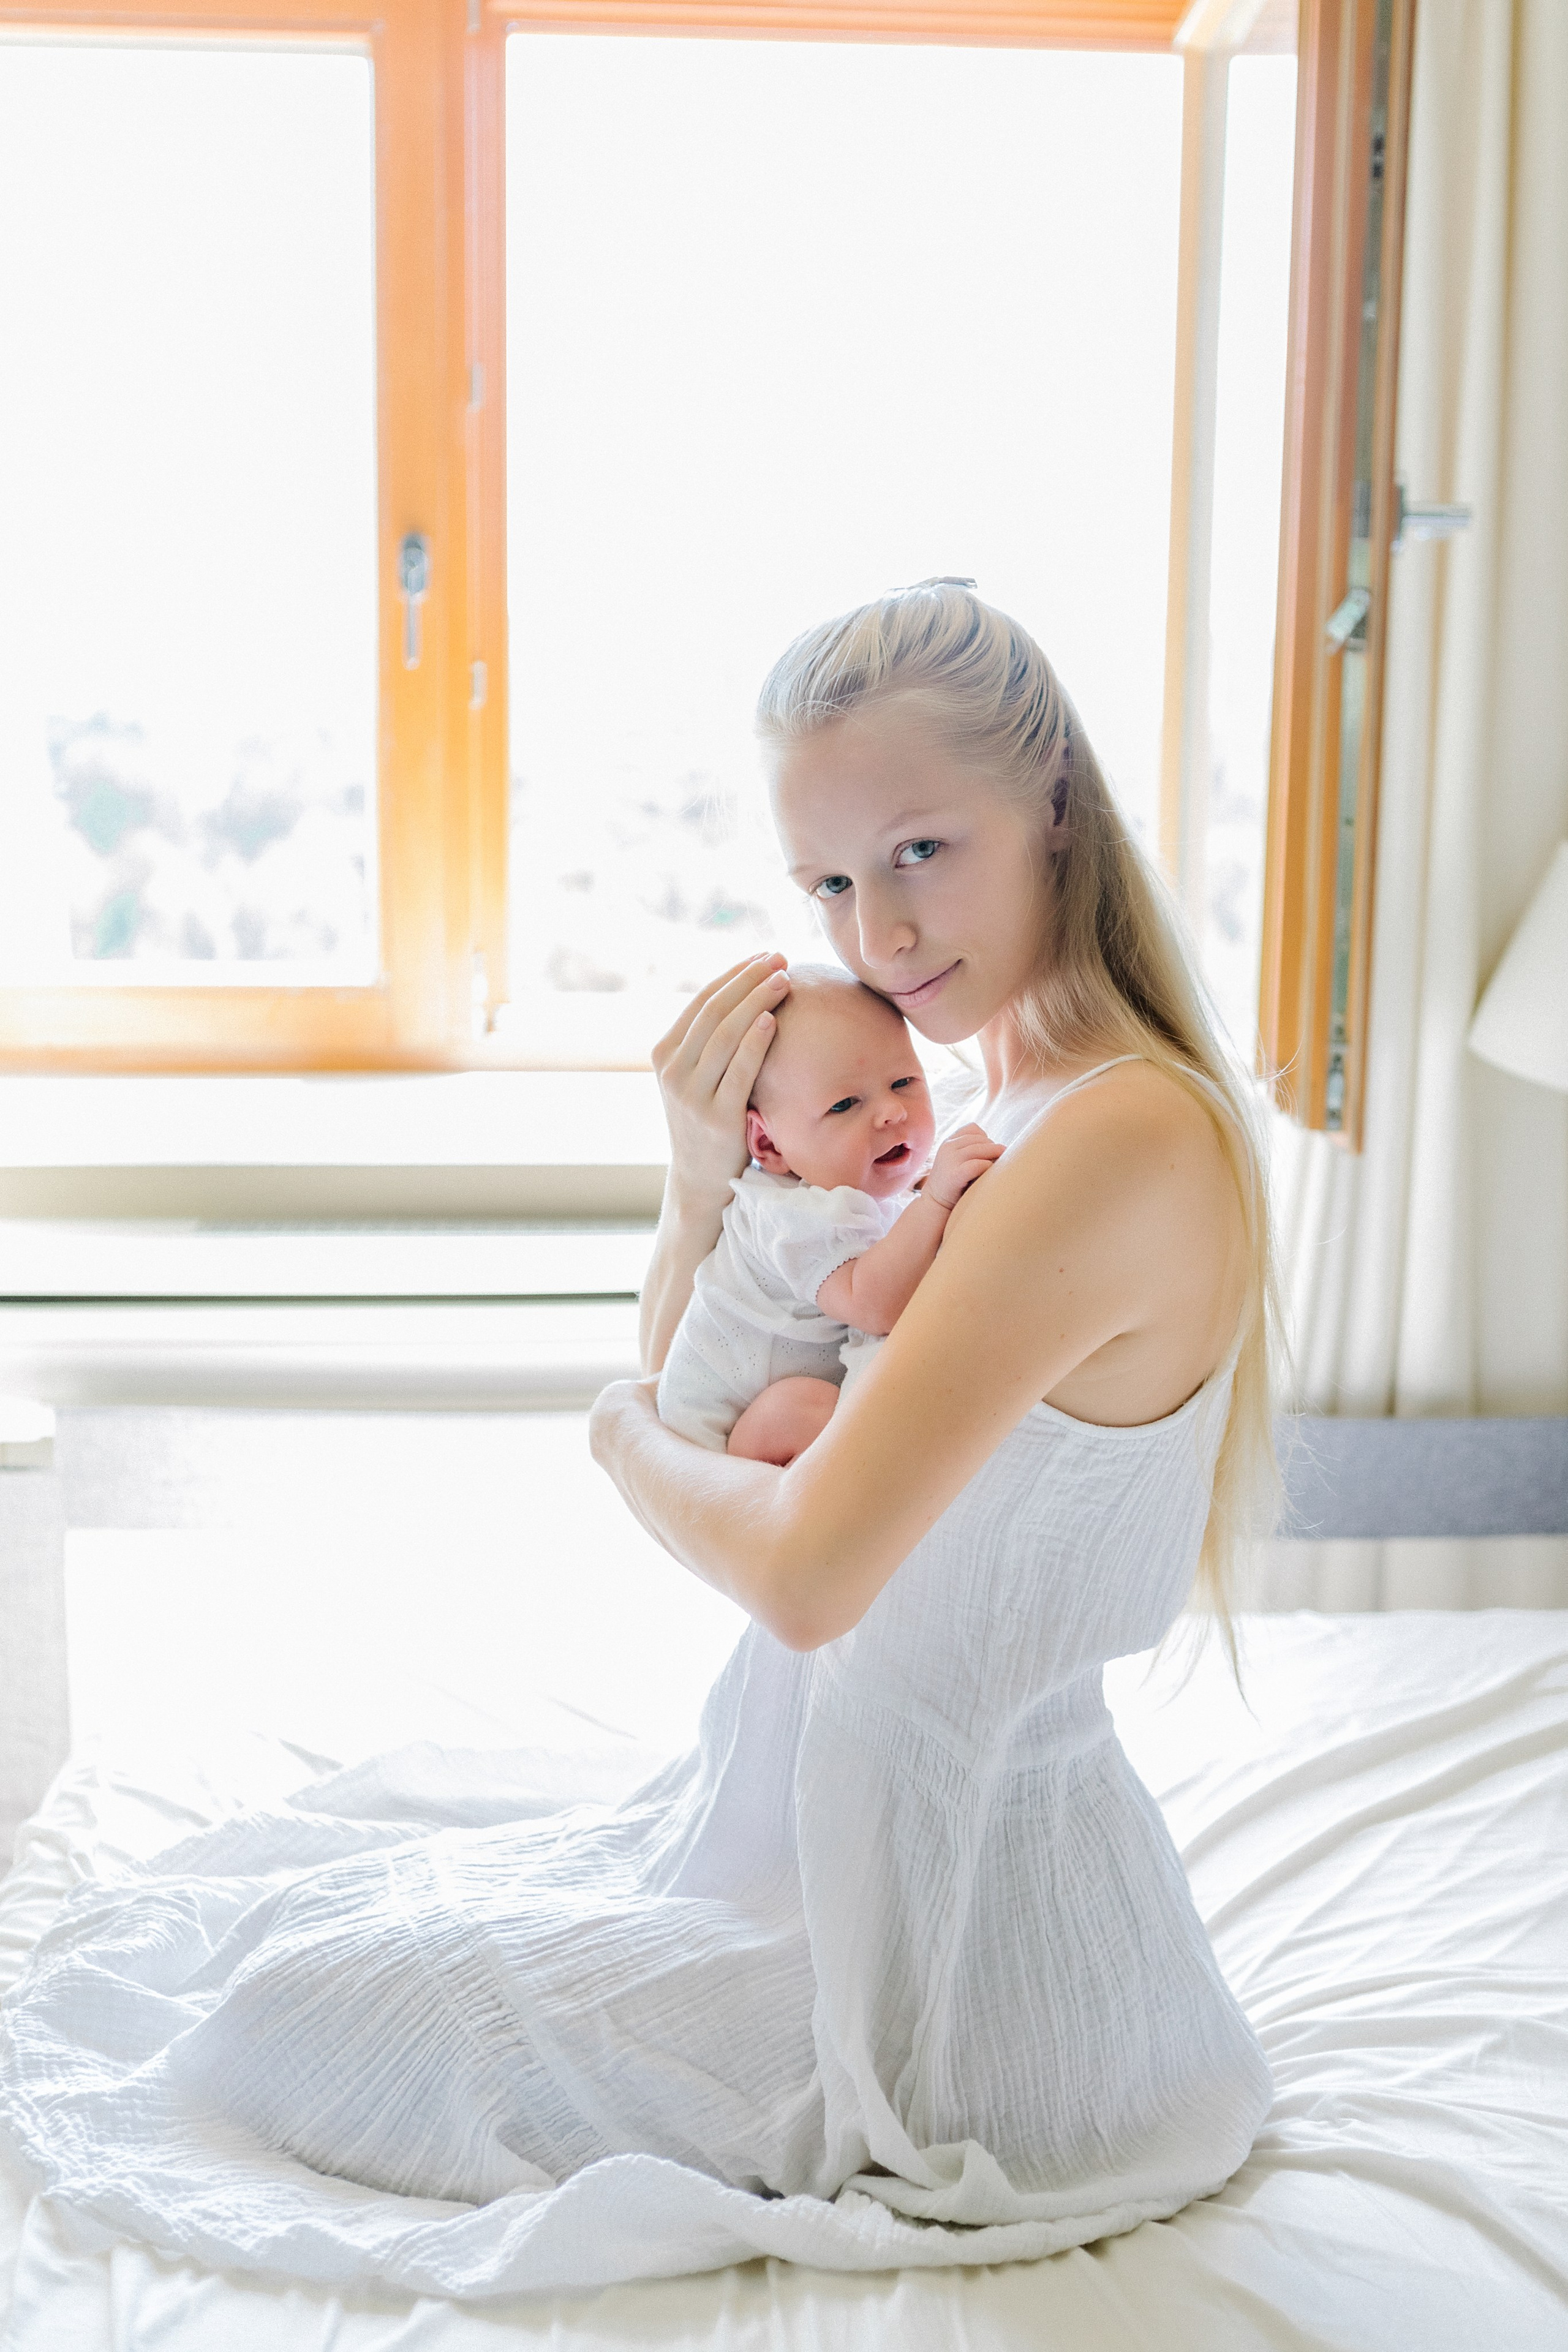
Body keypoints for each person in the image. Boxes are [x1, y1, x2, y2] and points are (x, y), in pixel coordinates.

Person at [0, 583, 1277, 2302]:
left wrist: (614, 1445)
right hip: (839, 1842)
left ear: (1054, 802)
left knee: (282, 2023)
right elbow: (719, 1376)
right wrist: (698, 1178)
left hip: (959, 1972)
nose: (881, 934)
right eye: (829, 883)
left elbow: (804, 1569)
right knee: (301, 1921)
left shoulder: (1106, 1144)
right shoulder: (992, 1112)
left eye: (919, 850)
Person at [655, 963, 1001, 1463]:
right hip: (718, 1437)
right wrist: (936, 1203)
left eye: (904, 1081)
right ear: (768, 1143)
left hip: (755, 1409)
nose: (891, 1112)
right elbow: (872, 1303)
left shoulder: (836, 1182)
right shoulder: (792, 1214)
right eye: (844, 1105)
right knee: (806, 1409)